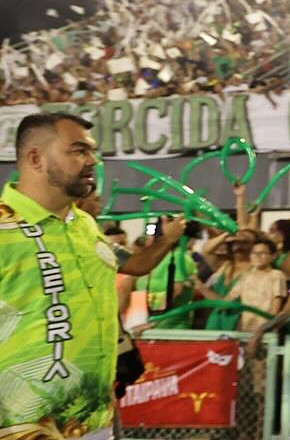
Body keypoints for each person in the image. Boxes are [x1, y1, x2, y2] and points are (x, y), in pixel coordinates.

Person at [0, 114, 186, 440]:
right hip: (20, 427)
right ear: (35, 158)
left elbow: (135, 265)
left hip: (94, 421)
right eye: (78, 151)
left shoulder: (84, 225)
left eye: (92, 152)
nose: (92, 161)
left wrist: (165, 241)